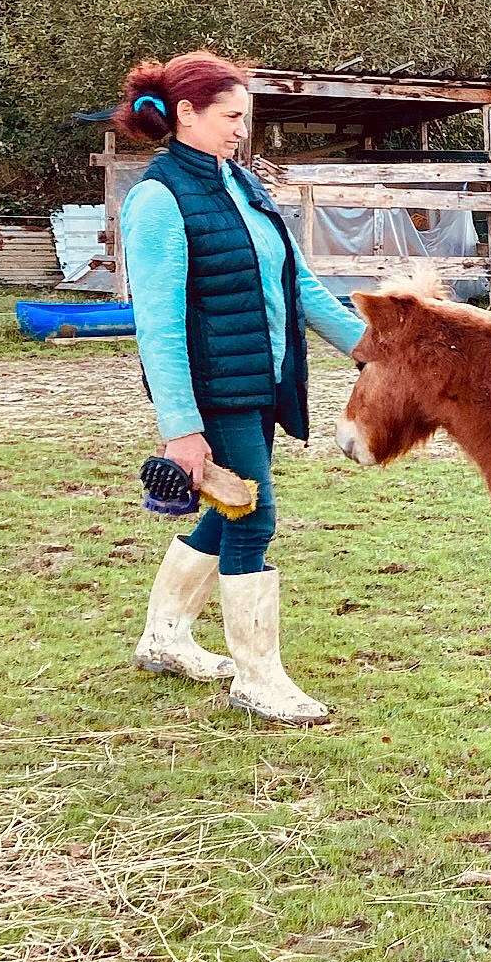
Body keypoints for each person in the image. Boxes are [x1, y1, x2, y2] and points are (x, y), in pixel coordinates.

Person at [113, 50, 366, 725]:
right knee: (255, 518)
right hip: (213, 392)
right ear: (186, 114)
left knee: (228, 508)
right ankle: (258, 679)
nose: (239, 130)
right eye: (229, 117)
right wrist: (181, 429)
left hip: (261, 381)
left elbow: (300, 285)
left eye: (244, 118)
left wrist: (369, 352)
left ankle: (163, 637)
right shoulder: (158, 198)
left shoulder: (243, 184)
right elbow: (158, 325)